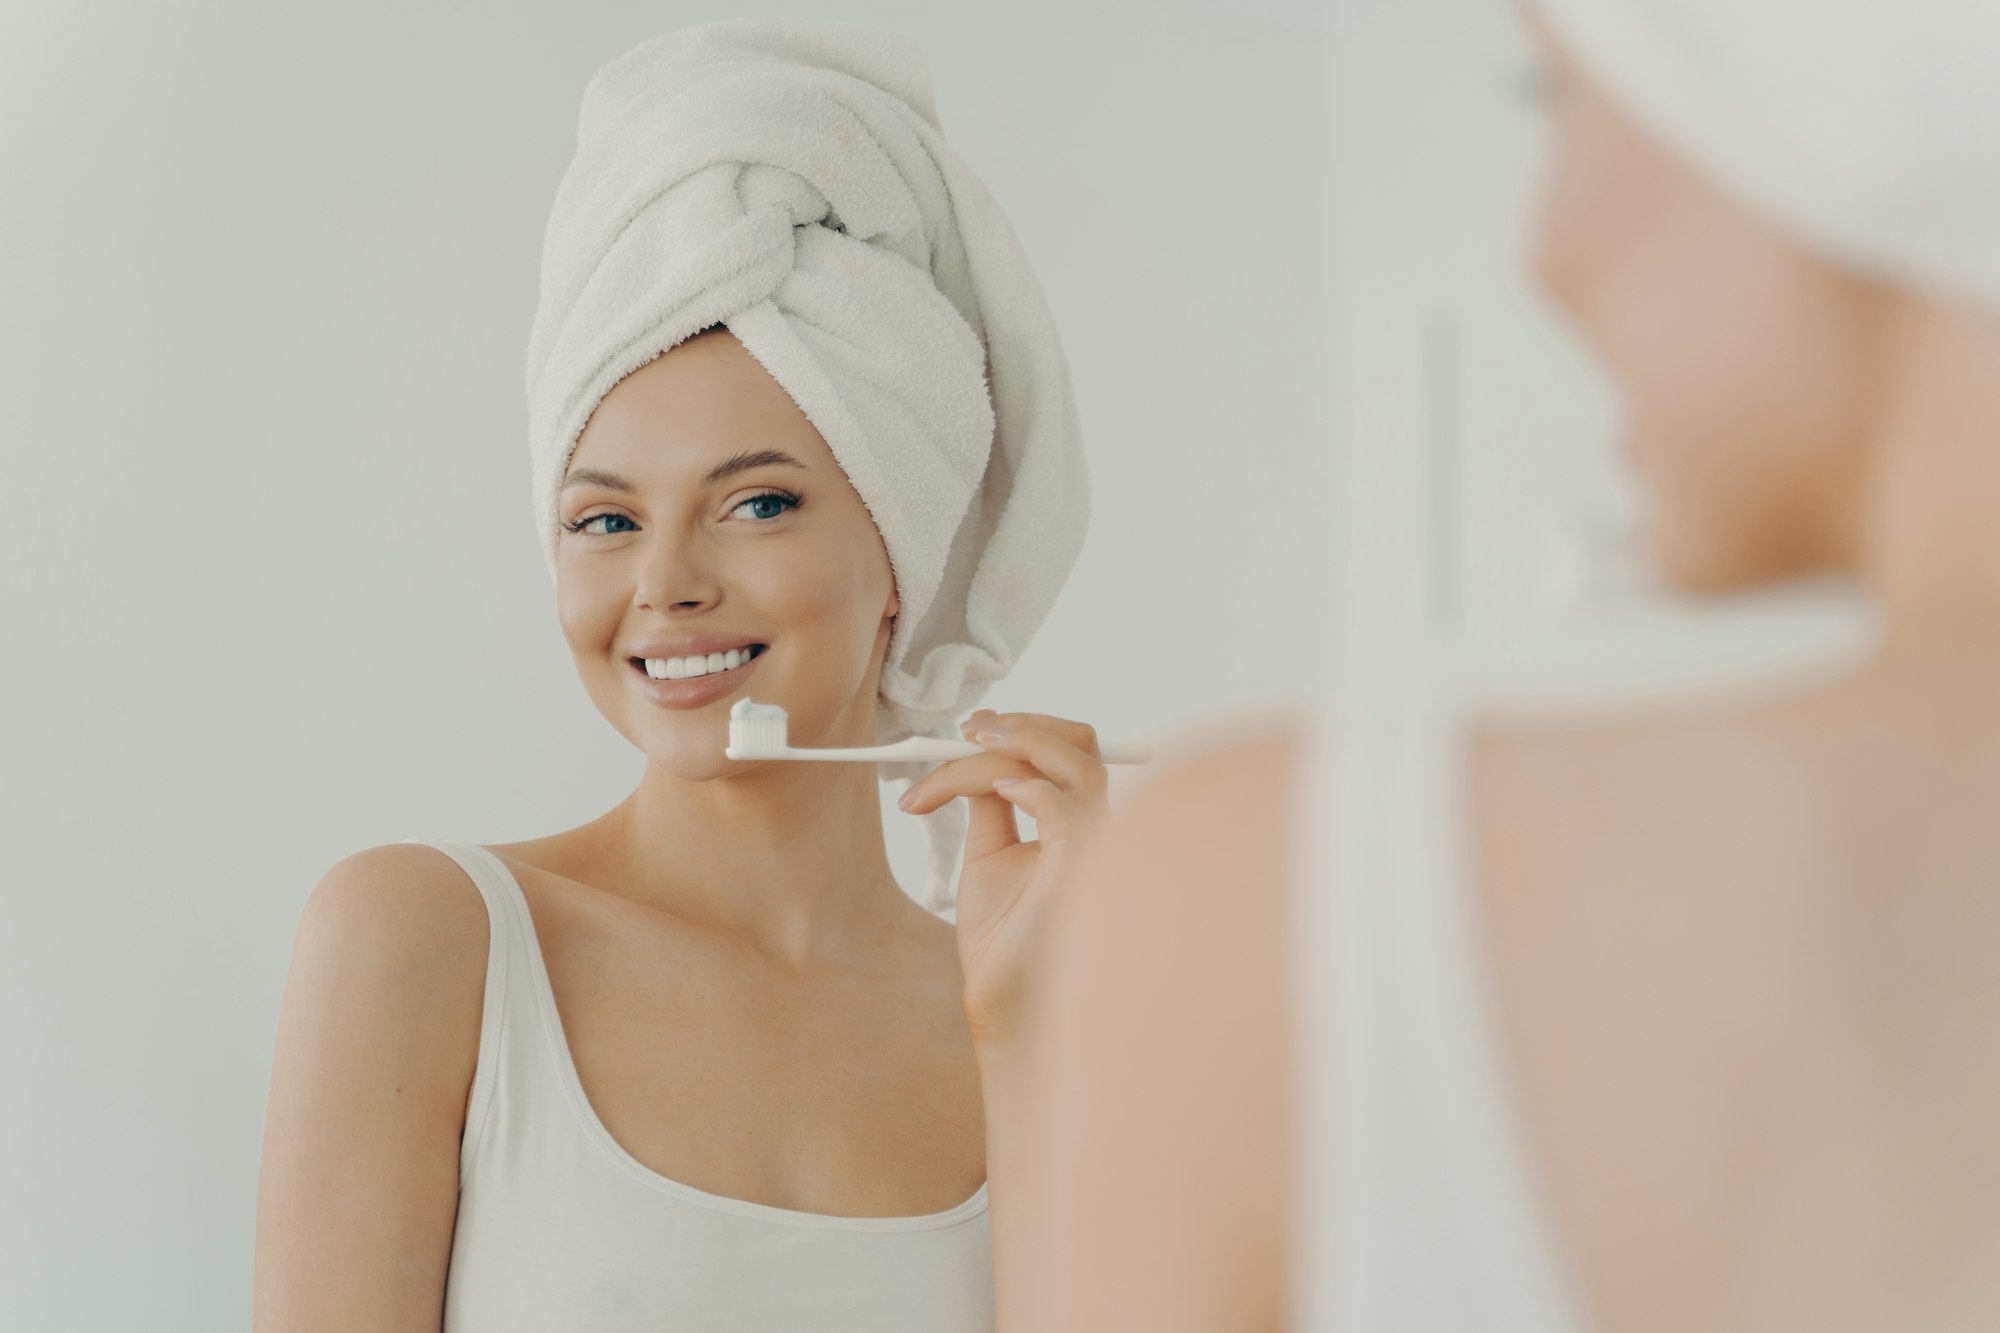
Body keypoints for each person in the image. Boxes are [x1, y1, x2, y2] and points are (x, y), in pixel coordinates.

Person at [1014, 1, 2000, 1329]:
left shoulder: (1267, 901)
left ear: (1825, 96)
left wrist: (1050, 1036)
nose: (1548, 256)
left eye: (1558, 97)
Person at [253, 19, 1109, 1330]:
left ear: (901, 550)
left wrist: (1041, 1033)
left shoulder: (1026, 989)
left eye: (757, 503)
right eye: (606, 520)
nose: (664, 584)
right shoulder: (423, 943)